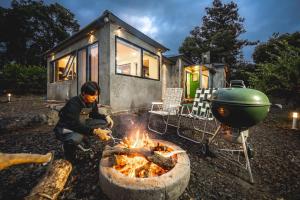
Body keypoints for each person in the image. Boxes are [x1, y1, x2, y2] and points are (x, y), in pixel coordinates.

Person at [54, 81, 113, 162]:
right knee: (74, 139)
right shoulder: (73, 103)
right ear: (83, 93)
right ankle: (69, 154)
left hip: (80, 123)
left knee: (103, 122)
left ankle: (84, 134)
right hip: (66, 128)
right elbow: (74, 125)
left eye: (96, 95)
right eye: (92, 95)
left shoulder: (92, 102)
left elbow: (94, 114)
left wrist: (106, 116)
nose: (95, 97)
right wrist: (95, 131)